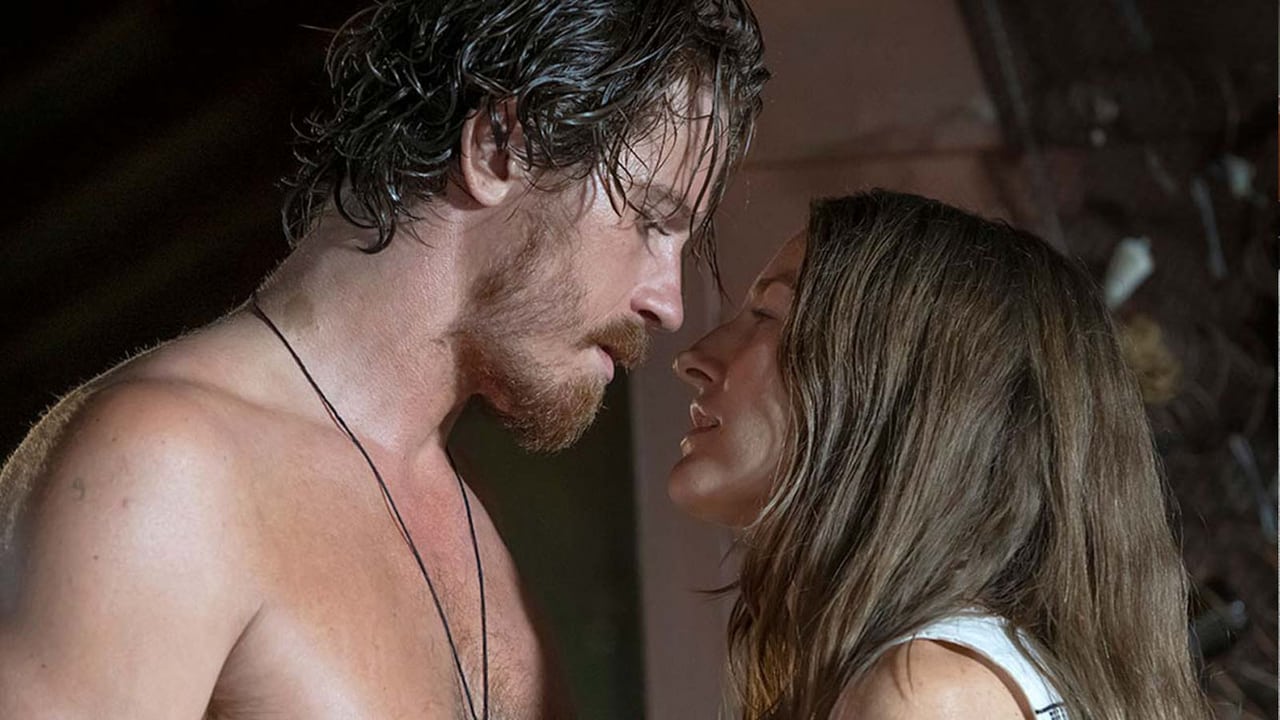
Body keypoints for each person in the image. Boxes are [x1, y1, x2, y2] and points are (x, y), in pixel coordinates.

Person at [0, 1, 767, 717]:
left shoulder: (468, 521)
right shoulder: (161, 471)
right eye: (651, 221)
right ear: (497, 149)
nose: (668, 303)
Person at [671, 190, 1210, 719]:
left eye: (766, 314)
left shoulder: (921, 693)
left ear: (901, 393)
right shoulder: (954, 672)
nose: (692, 359)